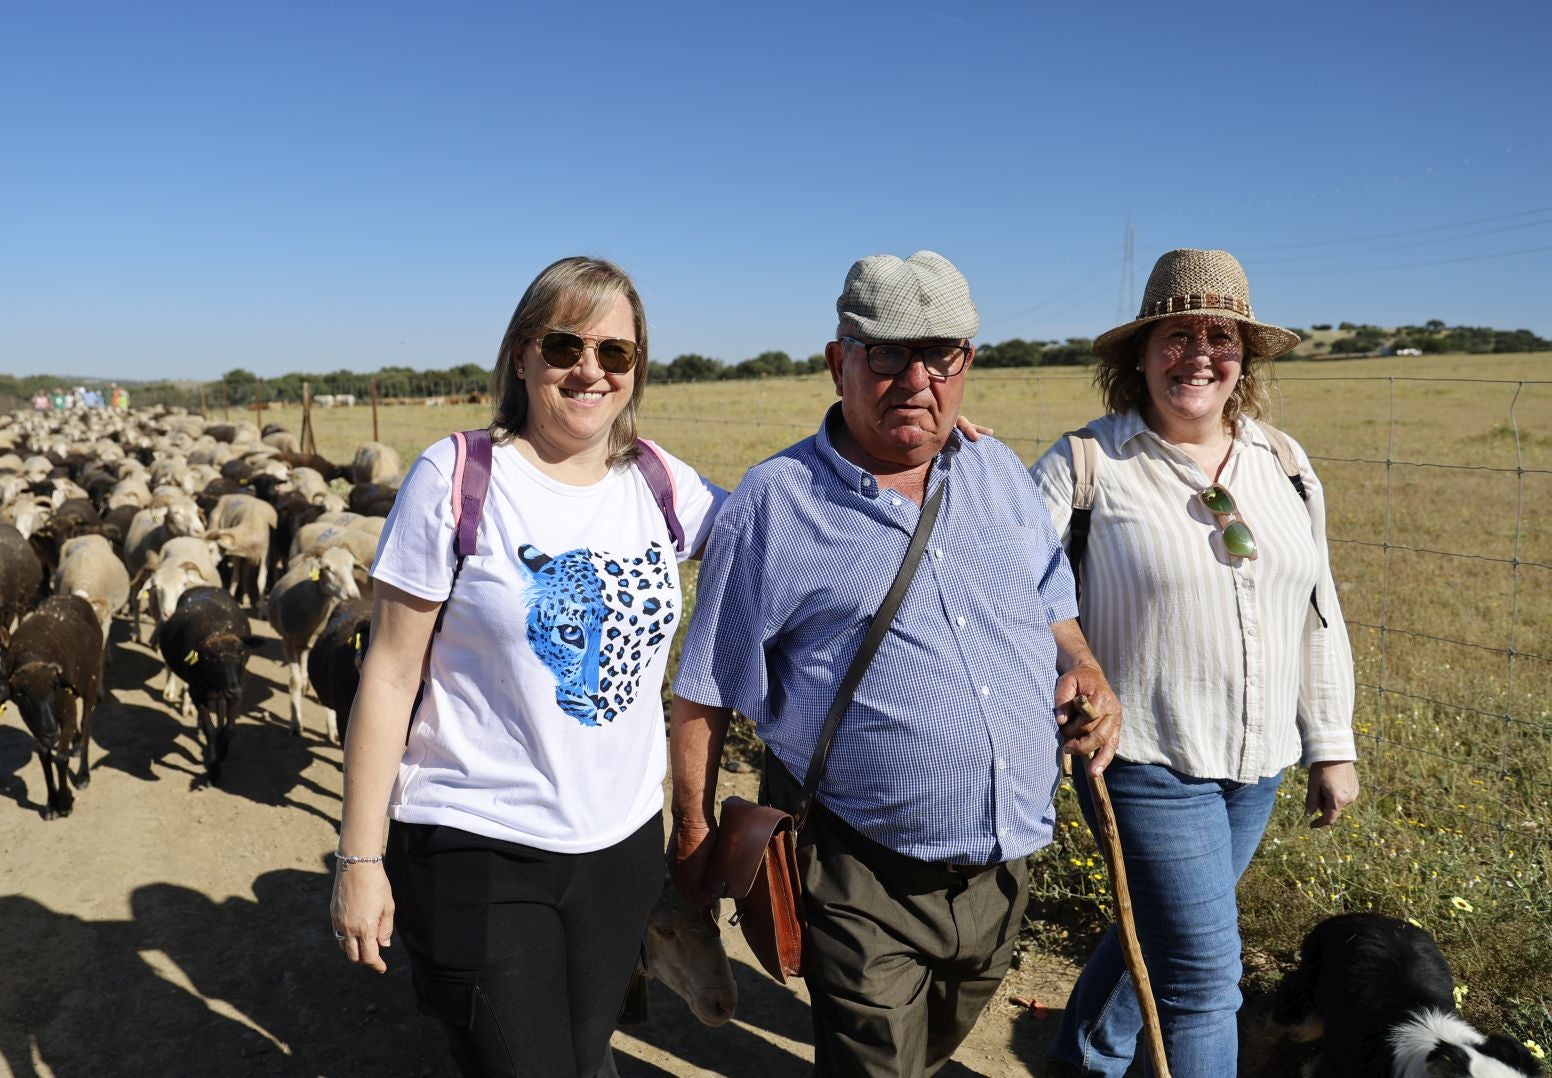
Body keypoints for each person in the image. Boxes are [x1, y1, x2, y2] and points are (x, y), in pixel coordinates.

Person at [670, 251, 1123, 1078]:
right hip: (860, 869)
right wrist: (694, 834)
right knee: (876, 1064)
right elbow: (703, 692)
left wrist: (1083, 664)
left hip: (1004, 860)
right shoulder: (777, 502)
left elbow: (1052, 590)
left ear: (967, 364)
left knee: (930, 1052)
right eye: (887, 353)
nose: (916, 377)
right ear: (838, 359)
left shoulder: (993, 470)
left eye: (940, 353)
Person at [329, 256, 728, 1078]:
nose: (590, 370)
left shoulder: (659, 483)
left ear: (636, 367)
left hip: (620, 848)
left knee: (585, 1058)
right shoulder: (458, 475)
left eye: (615, 353)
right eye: (563, 346)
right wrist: (360, 860)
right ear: (521, 355)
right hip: (478, 846)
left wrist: (900, 450)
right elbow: (390, 677)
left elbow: (779, 538)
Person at [1029, 249, 1358, 1077]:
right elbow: (1012, 585)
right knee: (1207, 979)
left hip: (1258, 764)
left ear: (1244, 359)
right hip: (1143, 757)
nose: (1200, 354)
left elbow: (1319, 610)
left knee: (1160, 926)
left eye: (1221, 337)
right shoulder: (1086, 464)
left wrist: (1332, 742)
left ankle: (1079, 1064)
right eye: (1178, 335)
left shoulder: (1286, 464)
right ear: (1138, 354)